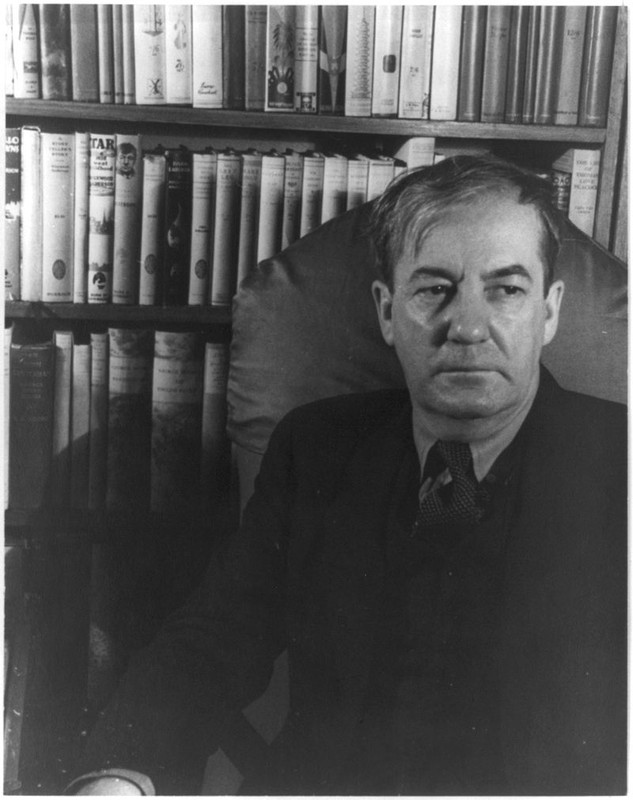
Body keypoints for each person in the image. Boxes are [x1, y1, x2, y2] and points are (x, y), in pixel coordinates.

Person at [68, 157, 626, 796]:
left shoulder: (624, 468)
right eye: (434, 289)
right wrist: (117, 775)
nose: (468, 326)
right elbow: (212, 642)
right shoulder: (316, 449)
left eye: (506, 289)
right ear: (387, 312)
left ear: (549, 313)